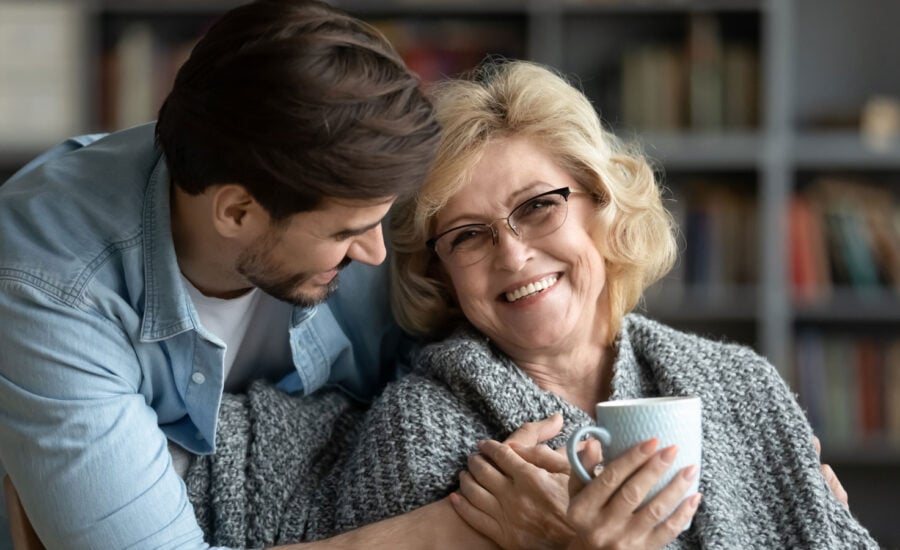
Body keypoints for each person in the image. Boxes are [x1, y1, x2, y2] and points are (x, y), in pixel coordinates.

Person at [185, 59, 869, 549]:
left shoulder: (739, 385)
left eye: (539, 207)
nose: (513, 256)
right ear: (442, 274)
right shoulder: (425, 435)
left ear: (602, 205)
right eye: (470, 236)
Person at [0, 0, 455, 547]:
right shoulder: (47, 286)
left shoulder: (351, 182)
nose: (378, 255)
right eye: (343, 234)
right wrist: (449, 531)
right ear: (236, 212)